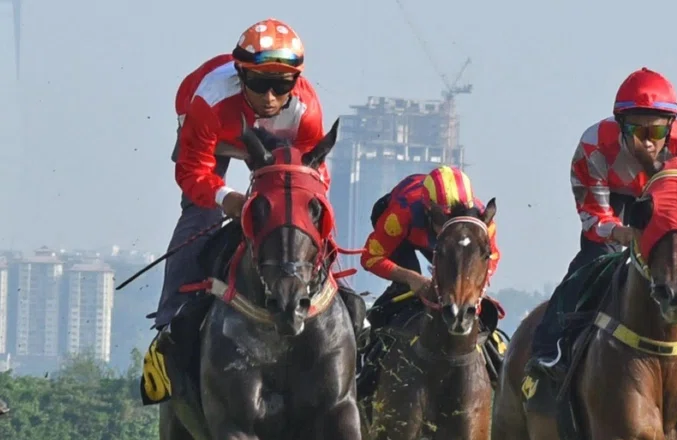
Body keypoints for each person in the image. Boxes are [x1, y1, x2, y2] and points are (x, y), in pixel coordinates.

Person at [525, 67, 677, 397]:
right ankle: (549, 349)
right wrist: (624, 235)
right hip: (614, 204)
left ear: (670, 127)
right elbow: (593, 213)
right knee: (589, 264)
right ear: (619, 124)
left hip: (670, 205)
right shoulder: (593, 145)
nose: (648, 138)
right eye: (636, 127)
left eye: (657, 128)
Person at [152, 18, 363, 350]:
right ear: (241, 75)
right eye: (259, 83)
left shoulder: (305, 110)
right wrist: (225, 198)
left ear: (295, 81)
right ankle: (170, 317)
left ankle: (339, 294)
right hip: (213, 132)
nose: (269, 97)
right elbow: (191, 172)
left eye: (280, 86)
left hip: (272, 137)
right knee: (201, 213)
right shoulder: (208, 100)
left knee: (300, 211)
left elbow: (315, 178)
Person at [356, 166, 505, 394]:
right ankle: (368, 362)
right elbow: (370, 257)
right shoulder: (402, 214)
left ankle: (500, 369)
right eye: (442, 219)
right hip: (407, 238)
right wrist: (411, 278)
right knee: (402, 296)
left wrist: (473, 289)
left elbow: (491, 257)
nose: (449, 223)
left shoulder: (482, 222)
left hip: (454, 247)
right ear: (429, 212)